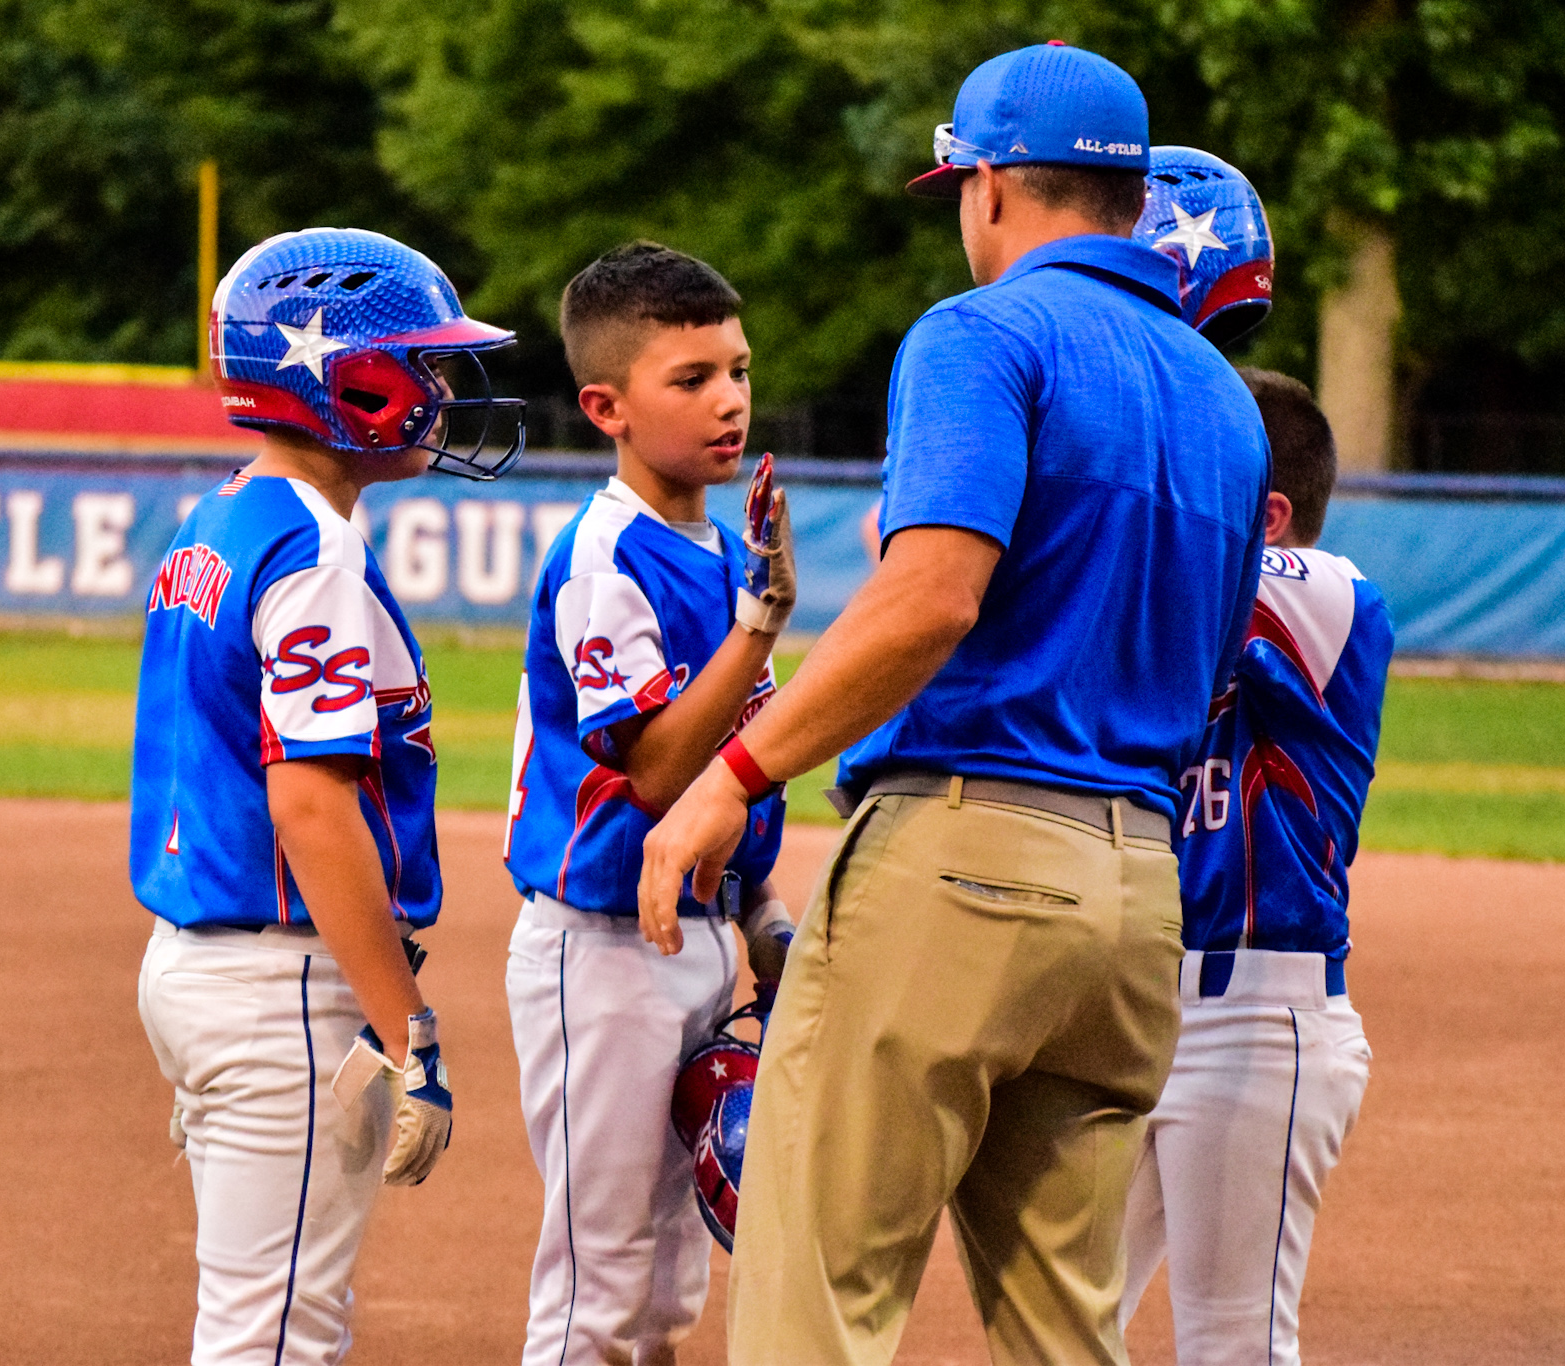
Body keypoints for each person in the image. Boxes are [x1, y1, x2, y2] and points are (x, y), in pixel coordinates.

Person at [637, 42, 1272, 1366]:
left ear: (990, 184)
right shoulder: (1223, 395)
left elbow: (932, 598)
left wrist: (729, 777)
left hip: (968, 860)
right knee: (1062, 1326)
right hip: (1137, 894)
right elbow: (1210, 672)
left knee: (818, 1305)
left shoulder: (982, 335)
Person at [131, 226, 522, 1365]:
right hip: (279, 987)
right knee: (278, 1340)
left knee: (254, 1324)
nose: (441, 389)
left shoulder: (223, 520)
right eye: (422, 362)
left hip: (204, 965)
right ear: (339, 378)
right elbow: (310, 807)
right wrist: (411, 1031)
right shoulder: (315, 555)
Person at [502, 241, 798, 1366]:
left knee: (666, 1284)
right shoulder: (604, 553)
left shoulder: (718, 547)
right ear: (605, 407)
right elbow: (664, 770)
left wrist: (757, 914)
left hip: (692, 936)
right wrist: (759, 626)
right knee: (600, 1287)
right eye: (690, 379)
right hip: (602, 953)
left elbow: (738, 771)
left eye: (737, 369)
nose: (728, 400)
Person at [1118, 380, 1389, 1364]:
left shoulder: (1329, 594)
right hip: (1128, 1004)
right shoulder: (1164, 609)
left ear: (1266, 512)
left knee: (1231, 1340)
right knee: (1056, 1319)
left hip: (1254, 1020)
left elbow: (1150, 559)